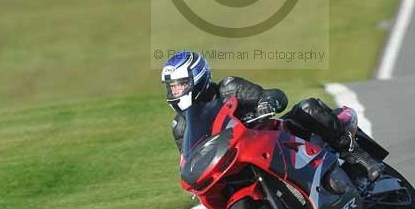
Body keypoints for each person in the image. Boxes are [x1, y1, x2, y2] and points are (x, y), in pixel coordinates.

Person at [162, 50, 381, 182]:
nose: (176, 92)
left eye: (181, 84)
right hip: (238, 162)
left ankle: (358, 156)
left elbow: (271, 95)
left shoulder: (229, 87)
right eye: (172, 87)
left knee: (308, 108)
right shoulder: (179, 126)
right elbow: (189, 157)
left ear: (197, 77)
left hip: (274, 139)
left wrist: (266, 103)